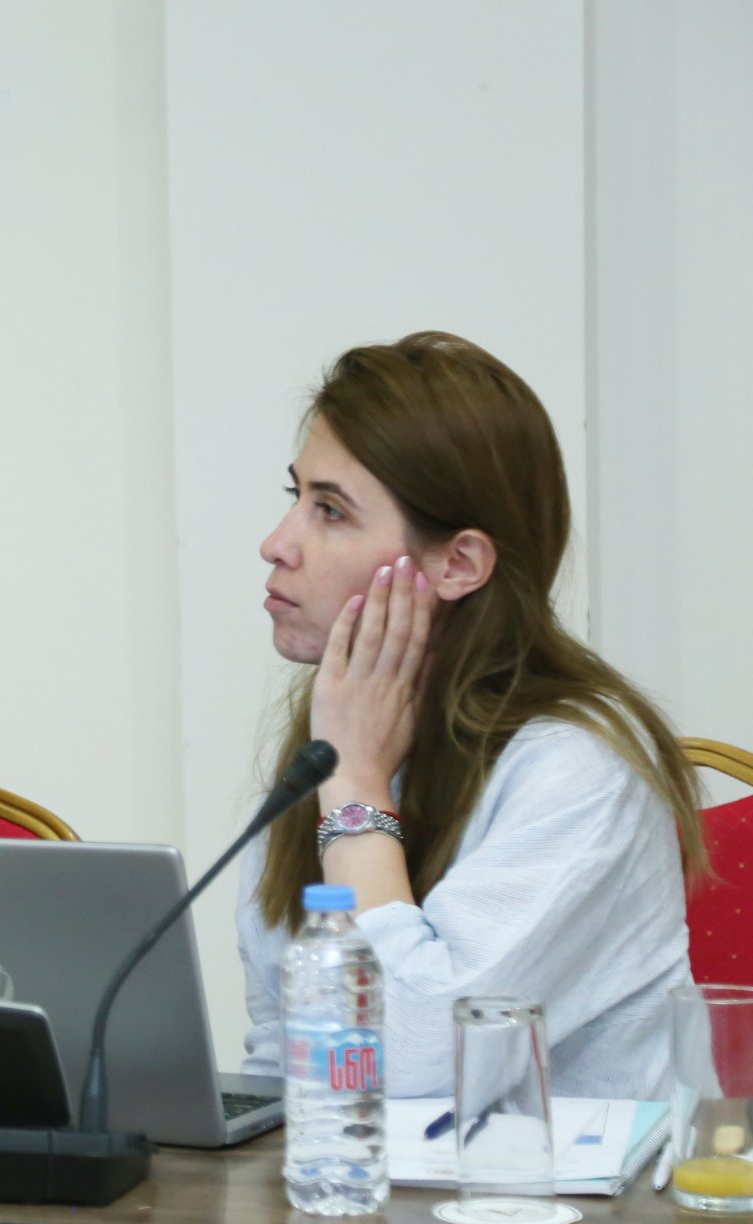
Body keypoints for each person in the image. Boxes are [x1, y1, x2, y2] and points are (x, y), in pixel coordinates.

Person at [237, 332, 705, 1099]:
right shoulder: (333, 740)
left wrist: (355, 788)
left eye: (330, 511)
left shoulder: (580, 773)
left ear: (457, 565)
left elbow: (418, 1063)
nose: (275, 544)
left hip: (567, 1178)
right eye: (296, 498)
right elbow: (289, 1056)